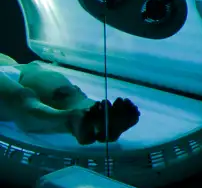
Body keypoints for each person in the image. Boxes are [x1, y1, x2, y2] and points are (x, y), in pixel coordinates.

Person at [0, 53, 140, 144]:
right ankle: (71, 116)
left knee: (70, 98)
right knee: (21, 99)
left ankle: (87, 116)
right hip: (19, 79)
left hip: (24, 73)